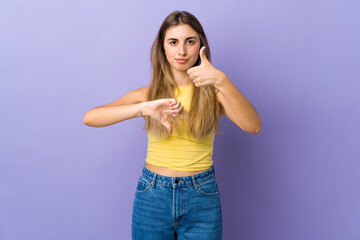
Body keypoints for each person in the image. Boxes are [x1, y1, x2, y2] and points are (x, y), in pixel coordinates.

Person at [83, 10, 261, 240]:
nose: (182, 51)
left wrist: (221, 80)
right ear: (163, 48)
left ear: (201, 46)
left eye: (190, 41)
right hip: (152, 195)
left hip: (202, 195)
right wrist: (143, 109)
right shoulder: (148, 94)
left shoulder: (215, 94)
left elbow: (253, 125)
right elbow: (91, 117)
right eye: (173, 42)